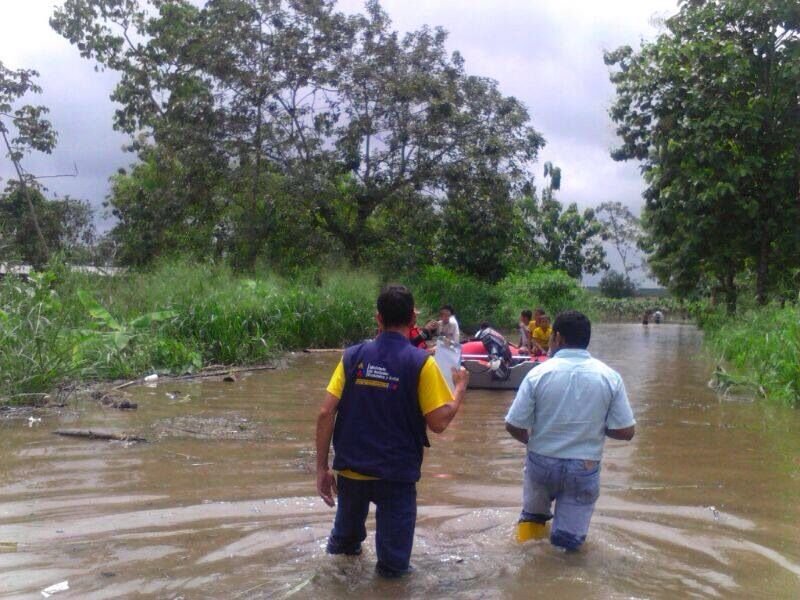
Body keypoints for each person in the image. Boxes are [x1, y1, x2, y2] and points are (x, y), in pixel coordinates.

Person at [316, 285, 469, 578]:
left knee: (342, 551)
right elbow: (438, 423)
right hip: (396, 477)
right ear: (413, 319)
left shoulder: (351, 357)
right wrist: (460, 389)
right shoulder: (421, 363)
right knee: (393, 568)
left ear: (378, 318)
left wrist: (321, 468)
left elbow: (325, 413)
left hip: (351, 472)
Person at [504, 310, 635, 551]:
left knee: (532, 522)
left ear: (558, 338)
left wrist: (531, 441)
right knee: (568, 546)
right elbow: (626, 431)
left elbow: (513, 424)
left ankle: (528, 565)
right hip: (584, 466)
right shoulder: (610, 377)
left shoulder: (538, 374)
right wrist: (597, 428)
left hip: (541, 461)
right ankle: (566, 561)